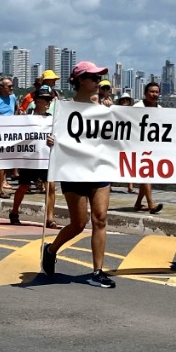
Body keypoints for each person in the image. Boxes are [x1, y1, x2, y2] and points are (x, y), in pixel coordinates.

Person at [44, 62, 116, 288]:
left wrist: (111, 112)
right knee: (78, 224)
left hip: (99, 168)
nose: (98, 82)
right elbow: (47, 132)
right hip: (73, 170)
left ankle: (97, 271)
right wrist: (51, 140)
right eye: (93, 78)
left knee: (100, 219)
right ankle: (51, 249)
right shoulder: (61, 108)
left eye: (99, 78)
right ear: (79, 80)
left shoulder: (104, 108)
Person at [8, 85, 58, 228]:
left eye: (49, 99)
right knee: (24, 186)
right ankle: (14, 211)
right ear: (37, 100)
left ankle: (50, 218)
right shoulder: (27, 117)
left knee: (51, 187)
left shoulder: (52, 119)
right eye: (45, 99)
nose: (48, 102)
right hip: (29, 157)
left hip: (45, 158)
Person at [132, 81, 165, 213]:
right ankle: (151, 204)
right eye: (151, 92)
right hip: (137, 145)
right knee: (146, 174)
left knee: (146, 174)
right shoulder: (137, 107)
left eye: (156, 92)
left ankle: (138, 203)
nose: (154, 94)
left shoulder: (161, 110)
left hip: (153, 147)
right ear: (145, 94)